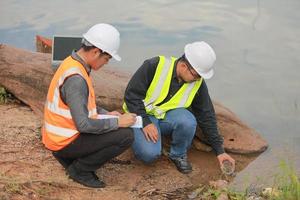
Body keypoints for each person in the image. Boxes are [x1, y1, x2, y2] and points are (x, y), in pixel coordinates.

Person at [42, 23, 137, 188]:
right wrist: (118, 122)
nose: (106, 63)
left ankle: (70, 158)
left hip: (58, 137)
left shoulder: (72, 62)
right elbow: (84, 125)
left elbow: (82, 104)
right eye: (106, 59)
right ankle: (80, 170)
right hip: (63, 142)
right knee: (126, 135)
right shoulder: (77, 79)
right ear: (95, 52)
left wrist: (107, 113)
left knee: (117, 127)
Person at [123, 41, 235, 174]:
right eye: (196, 75)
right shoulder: (154, 65)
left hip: (165, 117)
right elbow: (131, 95)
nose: (197, 79)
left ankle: (177, 154)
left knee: (188, 121)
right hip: (140, 116)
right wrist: (146, 123)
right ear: (183, 66)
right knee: (149, 155)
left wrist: (220, 151)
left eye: (200, 76)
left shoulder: (197, 82)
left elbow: (206, 115)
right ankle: (132, 133)